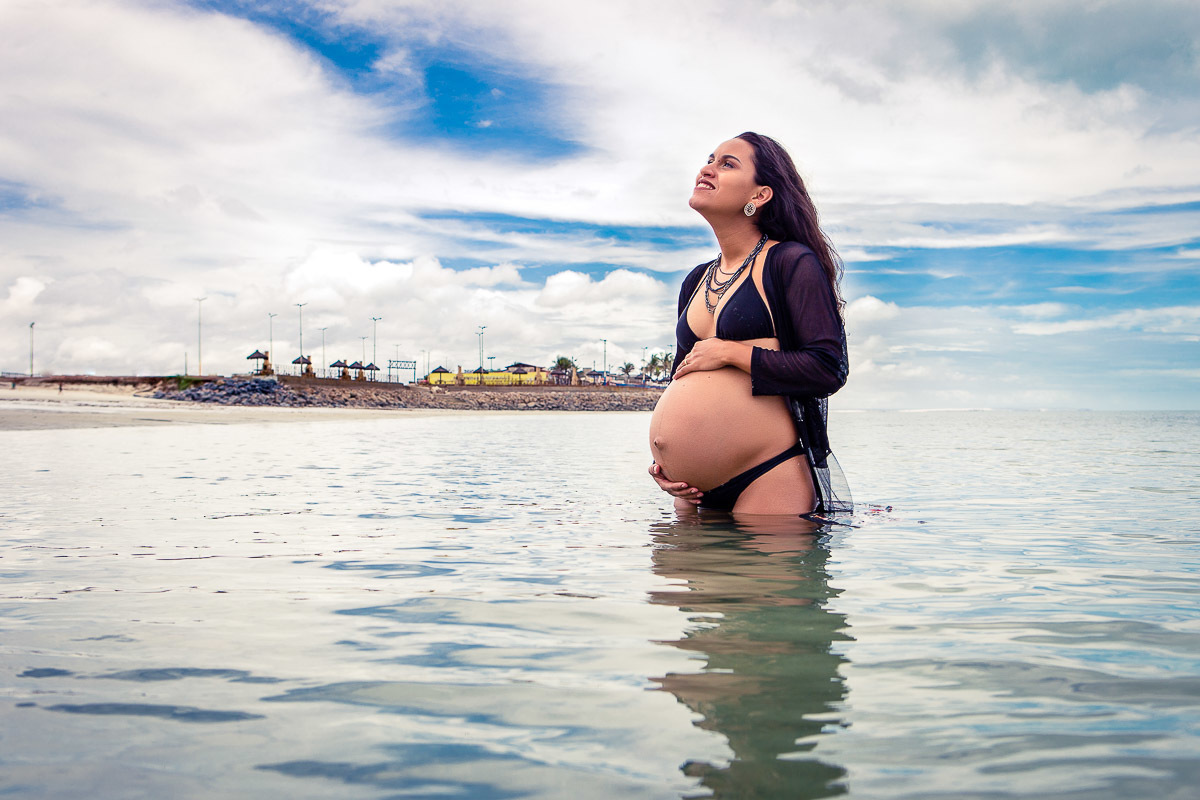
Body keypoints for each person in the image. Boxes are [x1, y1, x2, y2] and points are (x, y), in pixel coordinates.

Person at [648, 132, 851, 516]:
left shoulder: (790, 263)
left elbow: (828, 368)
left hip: (767, 478)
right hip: (688, 492)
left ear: (759, 195)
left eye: (727, 163)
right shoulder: (695, 280)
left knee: (760, 579)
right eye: (710, 158)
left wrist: (732, 352)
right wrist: (665, 464)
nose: (707, 168)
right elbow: (683, 375)